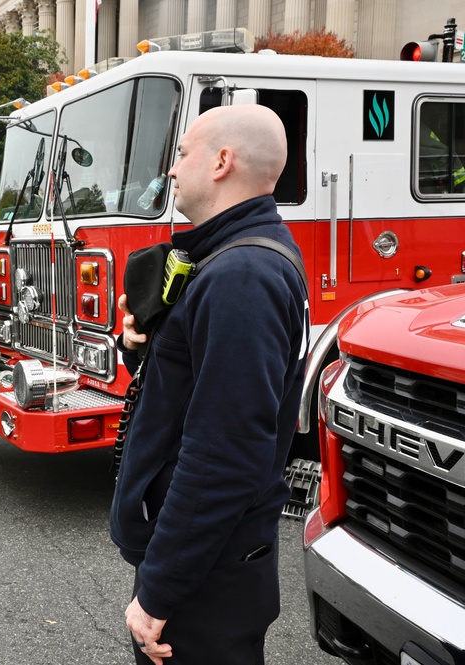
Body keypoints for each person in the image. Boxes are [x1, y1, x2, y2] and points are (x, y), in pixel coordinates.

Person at [111, 105, 310, 665]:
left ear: (222, 161)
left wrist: (160, 591)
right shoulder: (232, 260)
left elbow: (225, 451)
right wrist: (141, 350)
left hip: (207, 573)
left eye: (181, 153)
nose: (172, 170)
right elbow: (193, 399)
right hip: (211, 558)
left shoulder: (242, 275)